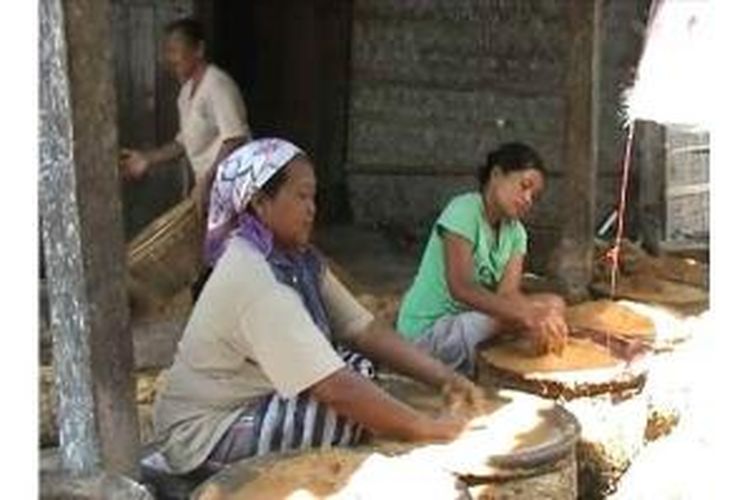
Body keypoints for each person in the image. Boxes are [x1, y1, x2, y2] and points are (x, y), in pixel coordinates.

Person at [152, 138, 482, 475]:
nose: (312, 208)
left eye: (313, 197)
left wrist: (445, 378)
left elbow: (362, 328)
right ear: (260, 203)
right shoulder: (253, 275)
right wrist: (428, 428)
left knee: (358, 367)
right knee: (341, 410)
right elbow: (335, 388)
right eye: (301, 196)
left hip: (252, 398)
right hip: (203, 432)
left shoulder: (298, 260)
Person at [396, 142, 569, 377]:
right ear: (496, 175)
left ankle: (505, 360)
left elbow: (507, 294)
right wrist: (527, 315)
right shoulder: (463, 210)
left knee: (554, 304)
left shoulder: (517, 233)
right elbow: (461, 288)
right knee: (515, 319)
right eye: (524, 186)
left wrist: (539, 313)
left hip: (469, 323)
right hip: (428, 334)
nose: (528, 198)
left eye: (534, 196)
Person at [119, 17, 249, 216]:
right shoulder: (186, 93)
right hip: (214, 195)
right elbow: (182, 144)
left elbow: (235, 139)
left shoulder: (217, 85)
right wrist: (147, 159)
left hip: (237, 190)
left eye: (174, 50)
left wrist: (207, 180)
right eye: (166, 51)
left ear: (199, 50)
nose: (169, 58)